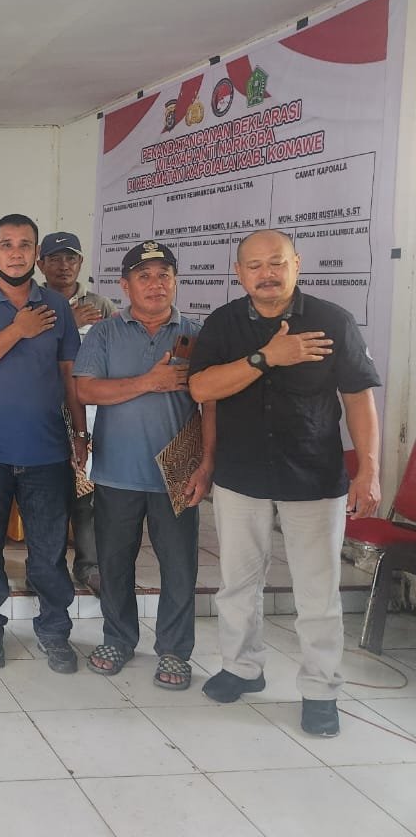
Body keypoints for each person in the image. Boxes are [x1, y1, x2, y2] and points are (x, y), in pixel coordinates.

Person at [189, 229, 381, 737]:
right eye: (254, 266)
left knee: (317, 592)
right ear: (239, 273)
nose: (266, 274)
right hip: (241, 474)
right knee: (238, 584)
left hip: (313, 474)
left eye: (276, 262)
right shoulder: (224, 323)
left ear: (296, 263)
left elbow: (358, 398)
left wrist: (370, 469)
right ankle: (241, 667)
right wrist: (267, 357)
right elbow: (201, 388)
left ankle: (320, 689)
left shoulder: (332, 321)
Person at [74, 240, 215, 690]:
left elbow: (212, 404)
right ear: (125, 285)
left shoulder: (197, 335)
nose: (155, 284)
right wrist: (149, 382)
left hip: (177, 473)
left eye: (163, 275)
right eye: (144, 276)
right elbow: (86, 390)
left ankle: (175, 650)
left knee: (180, 567)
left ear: (175, 281)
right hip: (117, 469)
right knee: (115, 563)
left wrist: (207, 464)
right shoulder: (105, 334)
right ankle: (118, 638)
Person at [0, 213, 86, 674]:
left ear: (36, 254)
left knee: (48, 549)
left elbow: (70, 376)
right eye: (6, 244)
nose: (15, 252)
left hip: (47, 451)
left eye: (24, 244)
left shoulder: (57, 306)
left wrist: (80, 433)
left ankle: (54, 630)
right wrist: (17, 330)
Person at [38, 231, 116, 595]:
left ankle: (89, 566)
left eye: (70, 258)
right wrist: (66, 320)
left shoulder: (102, 306)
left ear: (81, 262)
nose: (63, 265)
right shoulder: (33, 302)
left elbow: (117, 354)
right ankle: (45, 569)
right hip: (44, 412)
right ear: (41, 265)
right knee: (48, 498)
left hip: (91, 412)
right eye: (54, 259)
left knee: (88, 494)